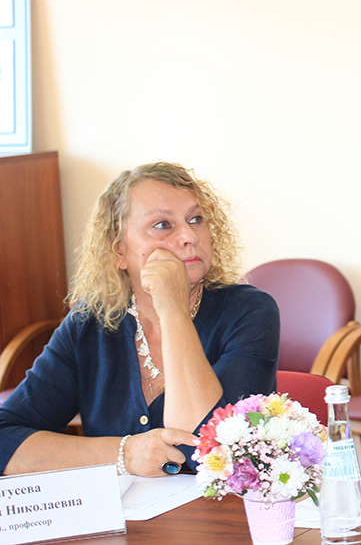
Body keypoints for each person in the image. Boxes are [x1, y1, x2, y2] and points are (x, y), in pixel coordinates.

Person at [0, 162, 280, 477]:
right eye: (162, 225)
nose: (189, 236)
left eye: (196, 219)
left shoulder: (249, 311)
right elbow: (5, 438)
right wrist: (124, 454)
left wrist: (172, 307)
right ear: (119, 250)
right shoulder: (90, 323)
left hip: (219, 508)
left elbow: (212, 453)